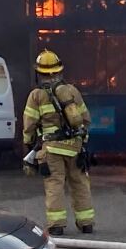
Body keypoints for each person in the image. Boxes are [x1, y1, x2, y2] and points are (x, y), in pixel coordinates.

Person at [22, 49, 94, 235]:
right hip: (75, 147)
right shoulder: (72, 91)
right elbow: (85, 119)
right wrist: (81, 141)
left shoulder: (36, 95)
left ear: (39, 73)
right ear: (60, 71)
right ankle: (86, 223)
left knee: (55, 185)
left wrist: (29, 144)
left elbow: (29, 124)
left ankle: (57, 225)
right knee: (80, 183)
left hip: (52, 149)